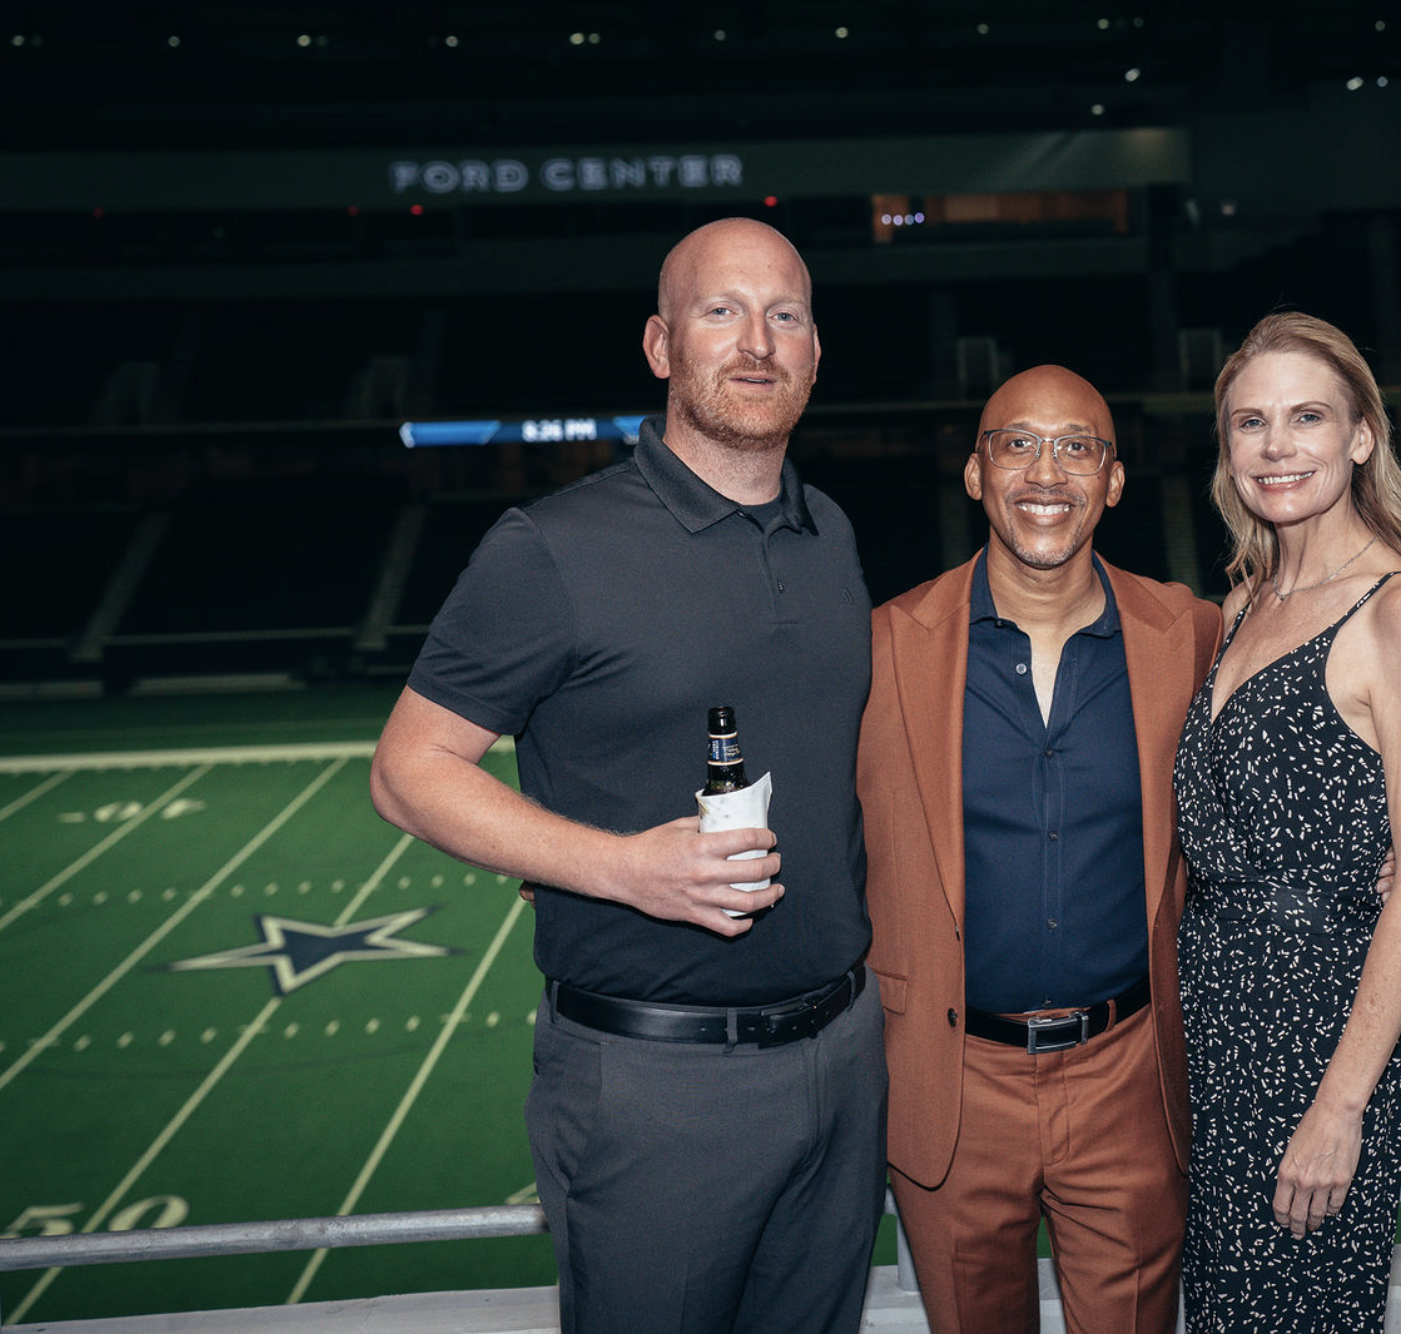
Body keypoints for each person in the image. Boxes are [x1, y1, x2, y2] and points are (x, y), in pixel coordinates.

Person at [368, 217, 885, 1334]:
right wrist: (620, 867)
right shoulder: (551, 547)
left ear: (816, 350)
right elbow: (408, 772)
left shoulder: (830, 531)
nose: (757, 342)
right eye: (720, 311)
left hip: (845, 1059)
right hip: (658, 1084)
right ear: (660, 345)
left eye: (784, 314)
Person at [857, 365, 1224, 1333]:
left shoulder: (1187, 633)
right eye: (1017, 442)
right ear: (977, 472)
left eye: (1077, 445)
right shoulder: (884, 643)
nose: (1045, 469)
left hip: (1128, 1073)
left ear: (1112, 479)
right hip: (951, 1079)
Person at [1172, 312, 1401, 1332]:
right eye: (1250, 422)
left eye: (1307, 416)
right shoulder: (1243, 600)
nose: (1276, 445)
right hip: (1213, 1026)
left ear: (1361, 436)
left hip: (1316, 1041)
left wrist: (1340, 1109)